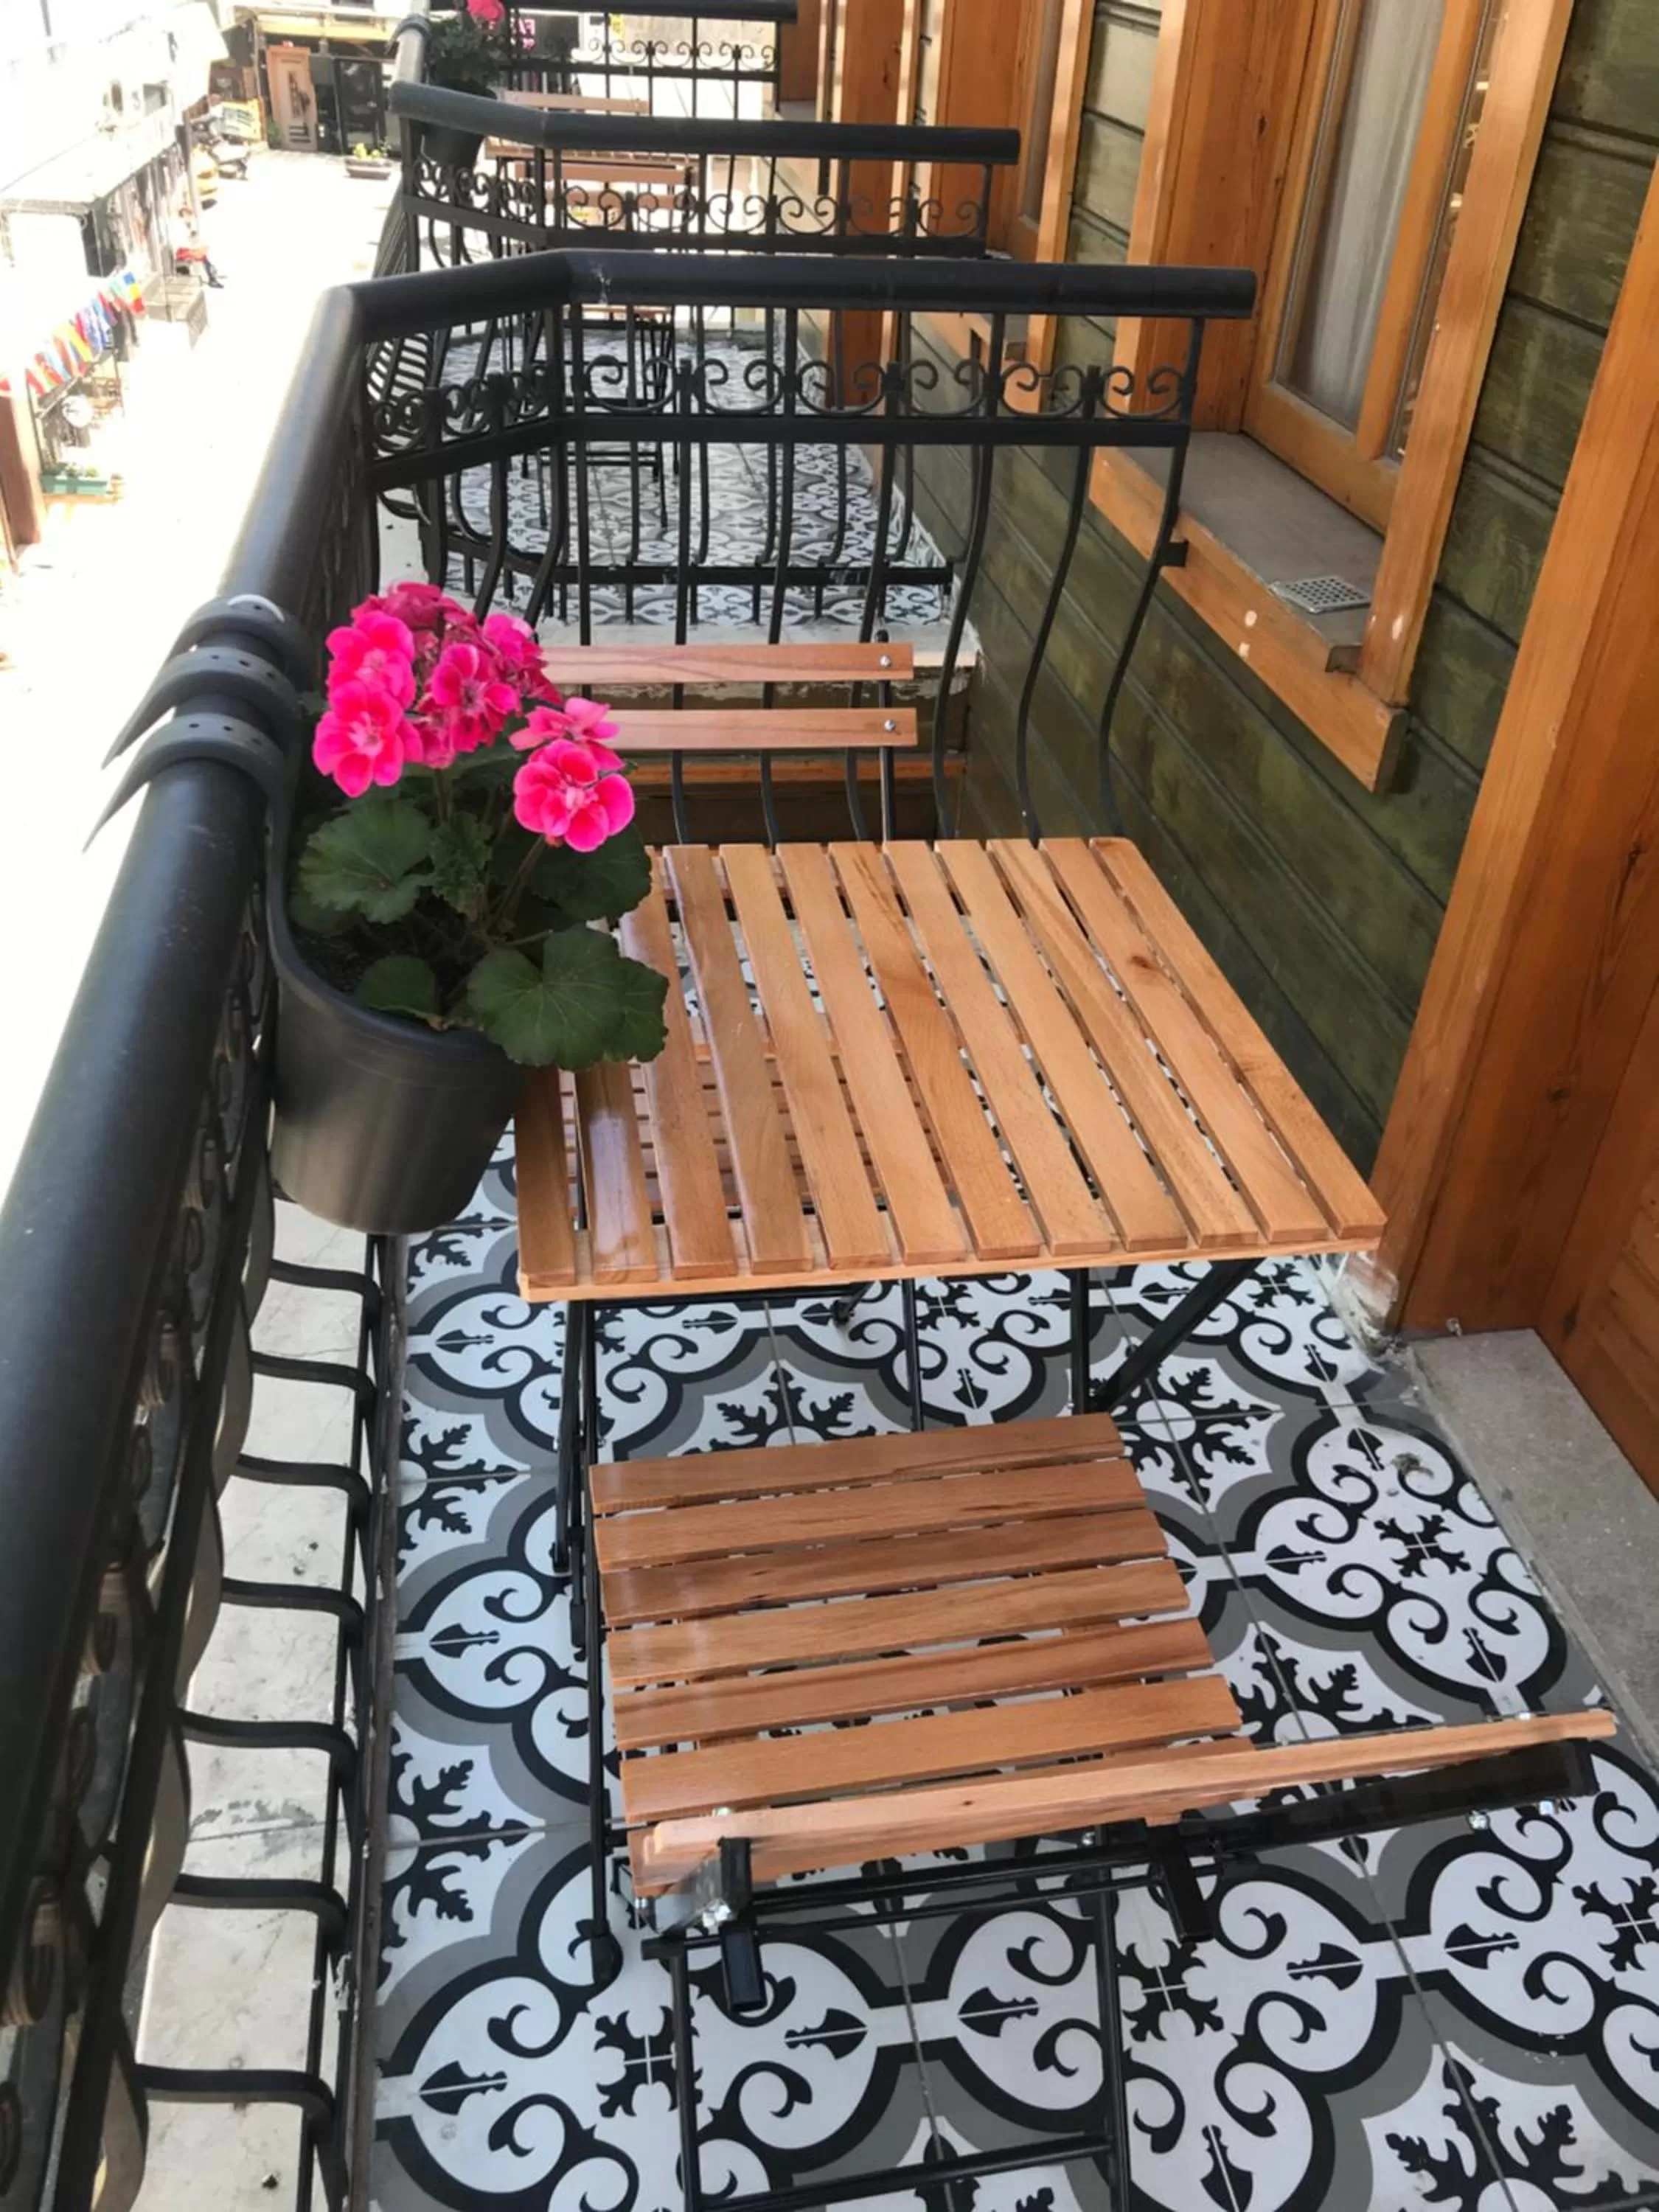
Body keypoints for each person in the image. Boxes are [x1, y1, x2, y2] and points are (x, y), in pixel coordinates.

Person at [174, 216, 225, 289]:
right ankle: (212, 278)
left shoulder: (191, 241)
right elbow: (183, 252)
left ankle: (212, 278)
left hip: (189, 255)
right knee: (204, 260)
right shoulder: (185, 241)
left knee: (205, 260)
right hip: (184, 256)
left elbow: (195, 251)